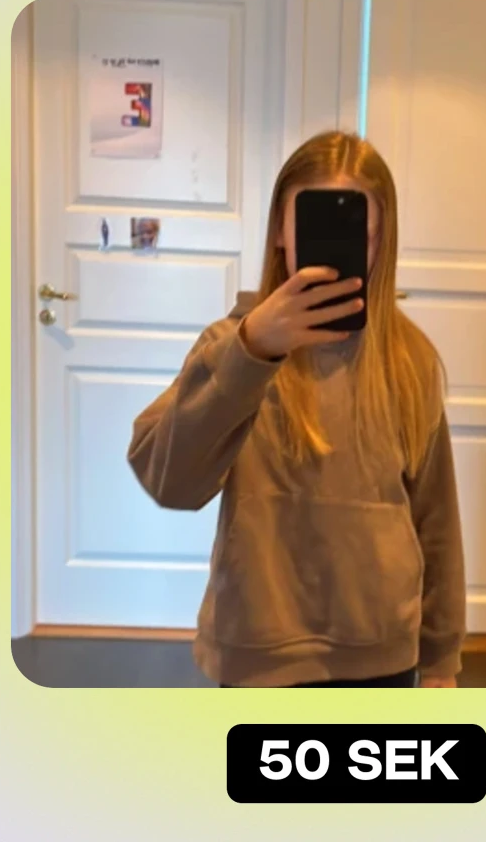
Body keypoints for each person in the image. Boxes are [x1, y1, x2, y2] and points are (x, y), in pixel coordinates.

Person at [127, 130, 466, 688]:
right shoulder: (230, 348)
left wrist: (440, 661)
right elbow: (168, 481)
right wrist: (251, 351)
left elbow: (437, 518)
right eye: (310, 226)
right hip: (260, 649)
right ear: (281, 233)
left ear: (380, 241)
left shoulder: (408, 361)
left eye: (359, 232)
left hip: (381, 652)